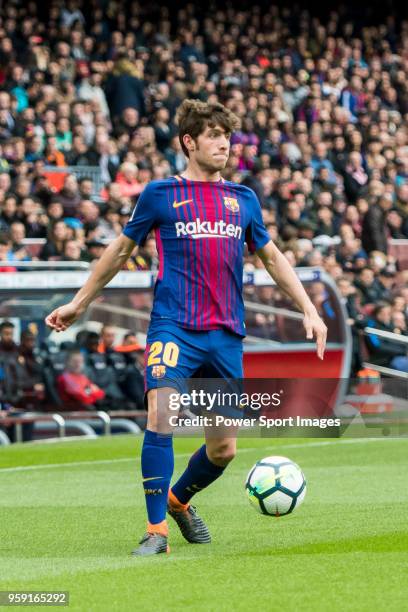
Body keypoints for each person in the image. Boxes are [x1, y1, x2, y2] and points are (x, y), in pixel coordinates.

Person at [45, 99, 327, 556]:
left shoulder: (244, 199)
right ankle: (156, 531)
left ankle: (178, 501)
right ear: (189, 142)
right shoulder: (160, 194)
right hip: (174, 328)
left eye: (227, 136)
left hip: (225, 337)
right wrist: (79, 303)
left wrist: (310, 311)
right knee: (162, 417)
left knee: (223, 451)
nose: (223, 143)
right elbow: (119, 251)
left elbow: (273, 258)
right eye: (213, 134)